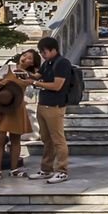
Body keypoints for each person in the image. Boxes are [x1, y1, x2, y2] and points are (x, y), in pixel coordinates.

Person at [28, 33, 79, 182]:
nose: (42, 55)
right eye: (41, 52)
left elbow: (57, 86)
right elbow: (37, 76)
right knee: (46, 139)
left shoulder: (62, 62)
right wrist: (25, 75)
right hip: (43, 104)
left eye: (44, 52)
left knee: (58, 139)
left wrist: (37, 84)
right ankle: (46, 169)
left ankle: (62, 170)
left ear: (54, 50)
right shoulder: (47, 63)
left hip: (55, 105)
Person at [0, 55, 32, 178]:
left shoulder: (30, 74)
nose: (25, 58)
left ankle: (14, 169)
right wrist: (1, 83)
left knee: (16, 140)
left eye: (29, 58)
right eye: (24, 55)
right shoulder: (7, 68)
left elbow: (33, 86)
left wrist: (26, 75)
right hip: (1, 106)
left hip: (17, 108)